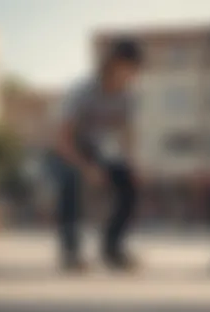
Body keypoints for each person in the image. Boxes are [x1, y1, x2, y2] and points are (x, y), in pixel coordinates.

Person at [50, 39, 143, 272]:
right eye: (129, 69)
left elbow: (126, 133)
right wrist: (86, 169)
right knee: (71, 180)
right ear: (114, 64)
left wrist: (131, 165)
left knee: (128, 183)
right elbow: (62, 140)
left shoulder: (126, 96)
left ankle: (112, 247)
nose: (131, 76)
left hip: (95, 149)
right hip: (67, 148)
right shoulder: (83, 91)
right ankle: (71, 251)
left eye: (135, 71)